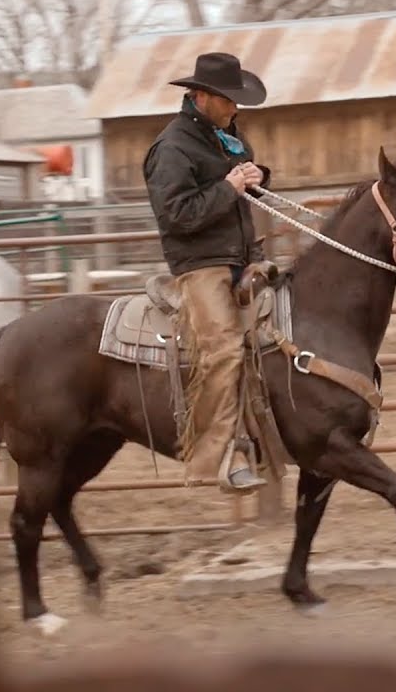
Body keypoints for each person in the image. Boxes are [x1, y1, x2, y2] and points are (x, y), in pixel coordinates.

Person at [142, 51, 276, 494]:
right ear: (202, 96)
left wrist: (259, 178)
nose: (236, 108)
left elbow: (236, 191)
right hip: (201, 266)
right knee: (222, 350)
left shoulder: (226, 137)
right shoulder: (172, 149)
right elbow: (177, 215)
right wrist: (229, 188)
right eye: (229, 100)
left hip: (243, 256)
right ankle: (215, 460)